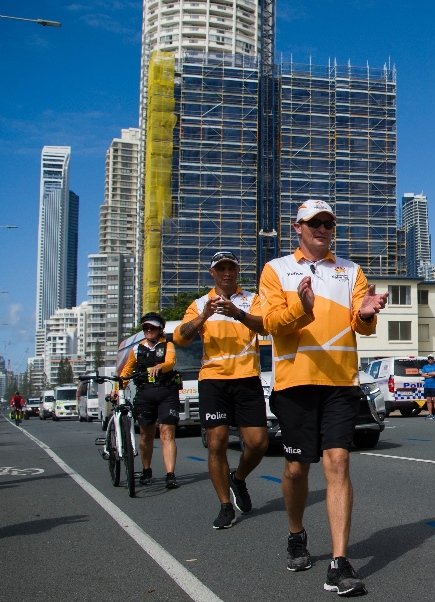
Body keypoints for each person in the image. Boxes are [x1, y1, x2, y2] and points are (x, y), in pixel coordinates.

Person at [258, 199, 387, 595]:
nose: (323, 229)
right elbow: (269, 322)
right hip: (295, 383)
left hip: (339, 383)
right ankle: (296, 533)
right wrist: (303, 305)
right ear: (298, 227)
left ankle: (339, 562)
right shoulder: (276, 269)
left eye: (329, 223)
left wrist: (365, 314)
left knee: (338, 461)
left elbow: (361, 327)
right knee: (297, 470)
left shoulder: (351, 270)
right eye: (315, 223)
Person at [173, 250, 269, 529]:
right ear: (212, 273)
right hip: (213, 380)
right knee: (216, 442)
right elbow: (181, 337)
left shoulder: (252, 299)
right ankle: (225, 505)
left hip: (247, 378)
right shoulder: (200, 303)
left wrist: (238, 313)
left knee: (259, 443)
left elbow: (265, 327)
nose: (227, 273)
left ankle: (237, 478)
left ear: (237, 272)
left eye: (231, 268)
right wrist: (204, 316)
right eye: (221, 268)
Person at [119, 312, 181, 488]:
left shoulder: (168, 346)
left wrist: (161, 366)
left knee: (167, 433)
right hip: (145, 394)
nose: (148, 330)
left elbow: (170, 362)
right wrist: (119, 389)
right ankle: (146, 470)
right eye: (145, 327)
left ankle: (170, 474)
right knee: (146, 435)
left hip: (166, 392)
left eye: (152, 327)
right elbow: (126, 372)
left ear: (160, 329)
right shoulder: (136, 349)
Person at [420, 355, 435, 420]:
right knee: (428, 400)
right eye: (429, 358)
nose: (430, 359)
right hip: (427, 386)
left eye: (431, 358)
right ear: (427, 360)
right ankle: (430, 414)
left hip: (434, 386)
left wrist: (427, 374)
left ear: (433, 359)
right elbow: (422, 374)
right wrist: (430, 374)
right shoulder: (425, 366)